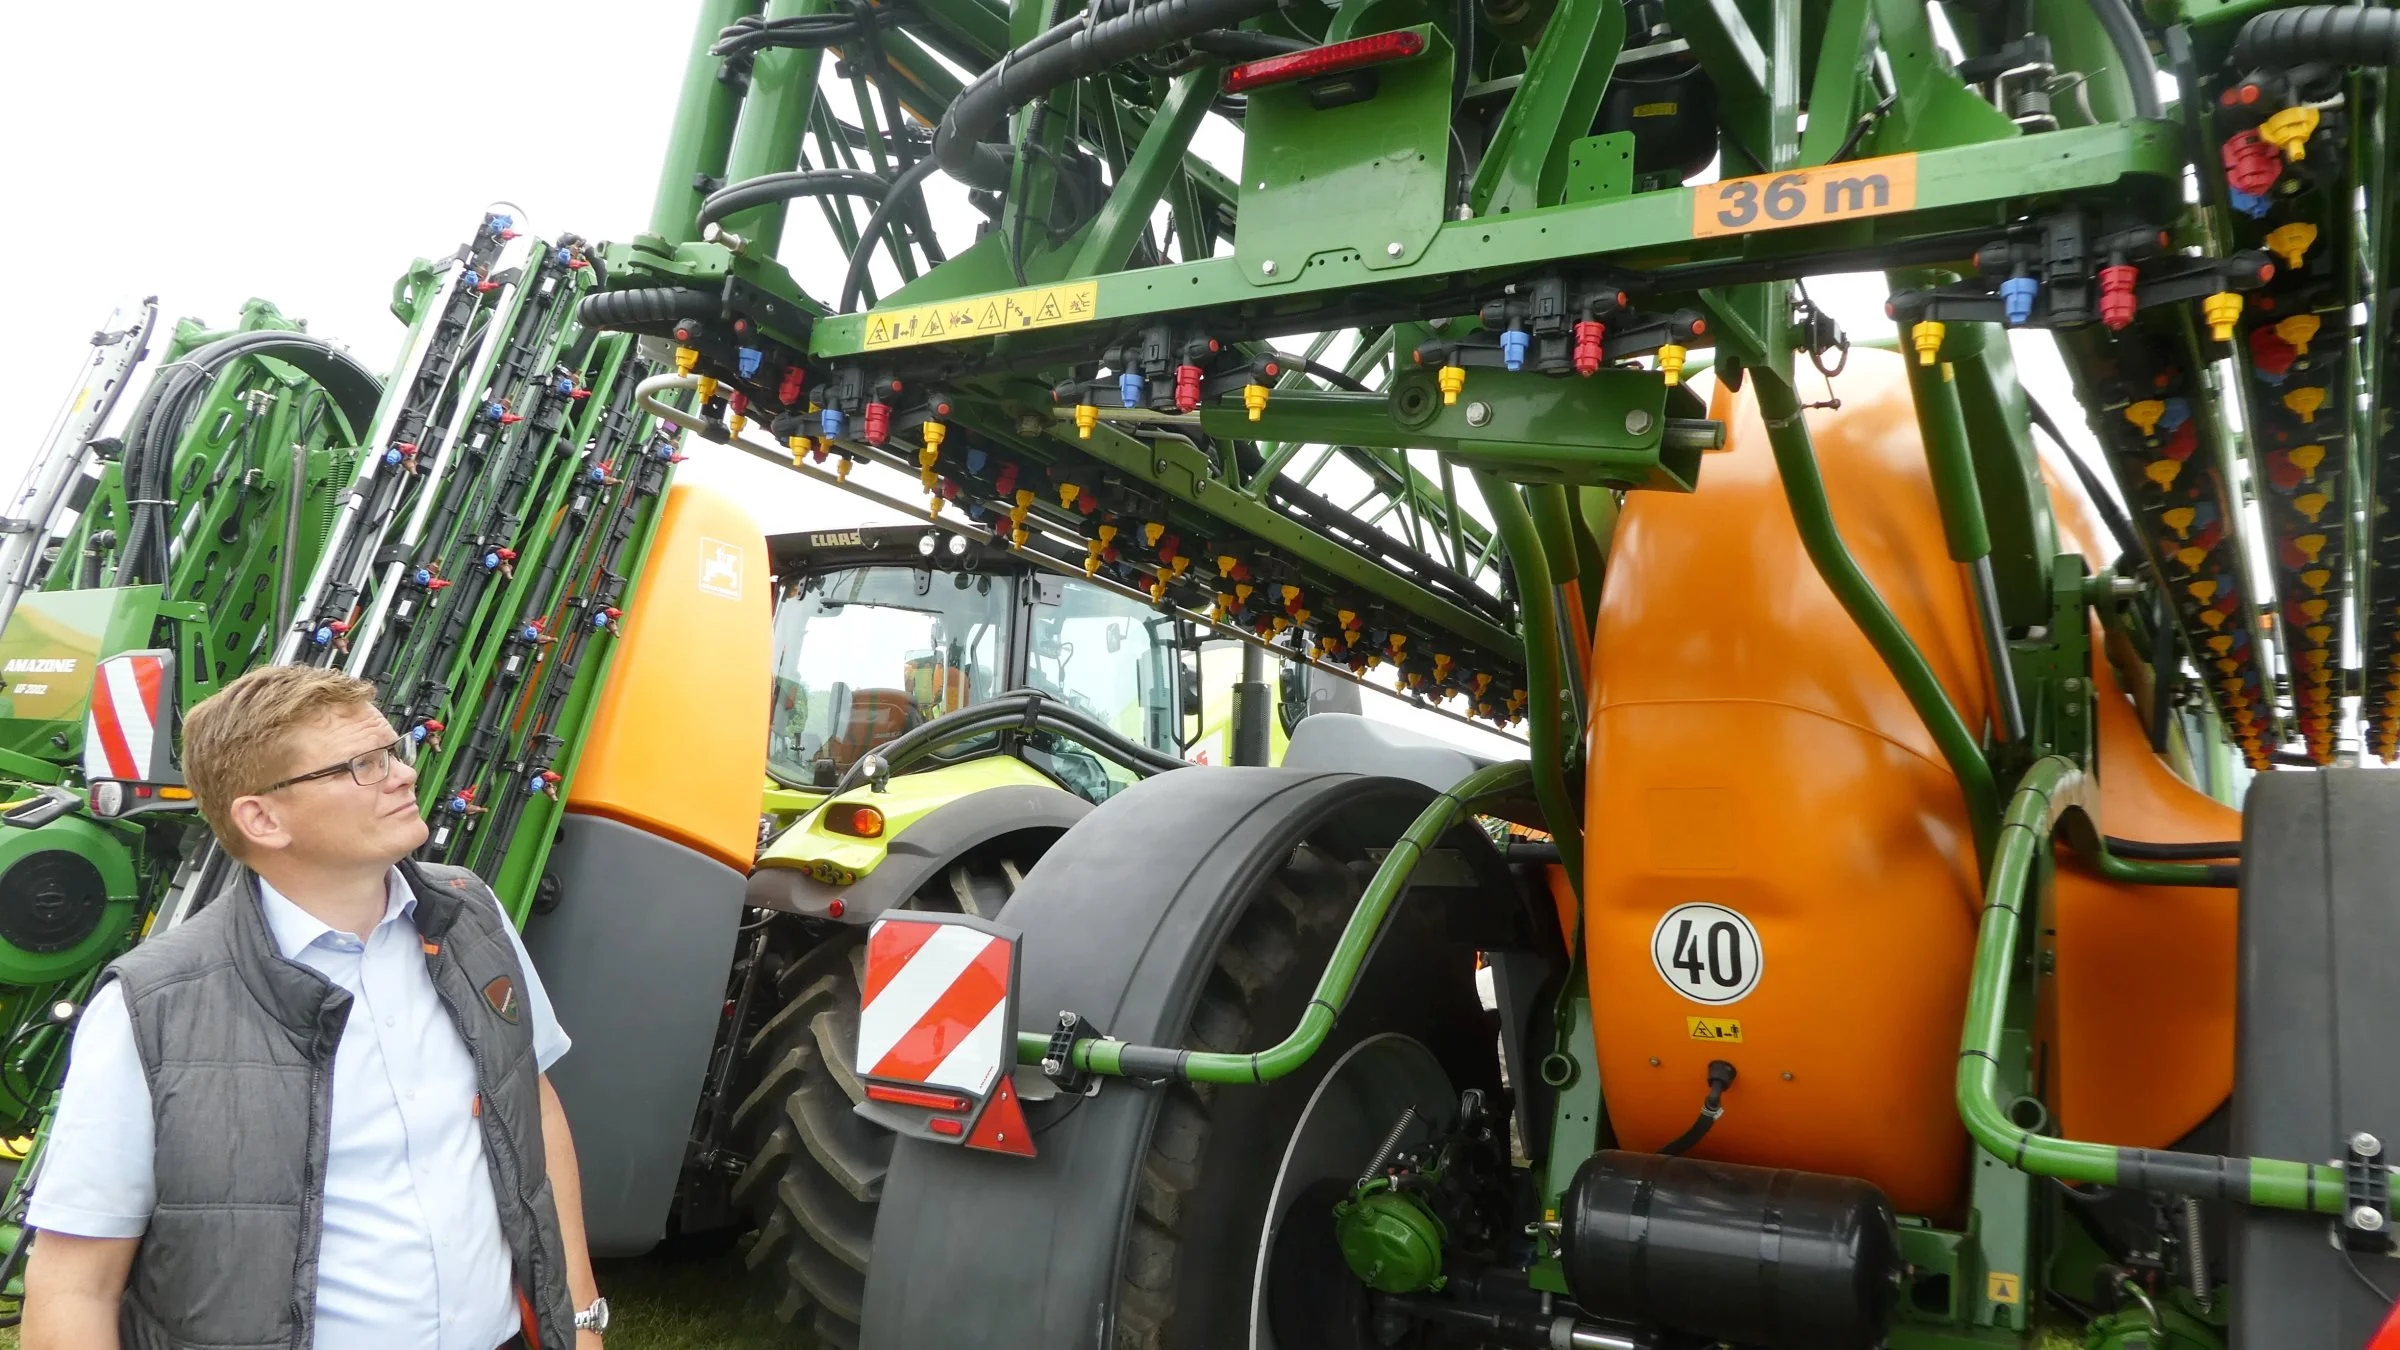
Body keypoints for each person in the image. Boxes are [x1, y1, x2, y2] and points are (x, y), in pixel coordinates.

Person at [21, 665, 607, 1349]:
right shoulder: (151, 1010)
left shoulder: (471, 914)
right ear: (262, 818)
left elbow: (532, 1109)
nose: (401, 776)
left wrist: (582, 1318)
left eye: (392, 751)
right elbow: (73, 1285)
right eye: (359, 766)